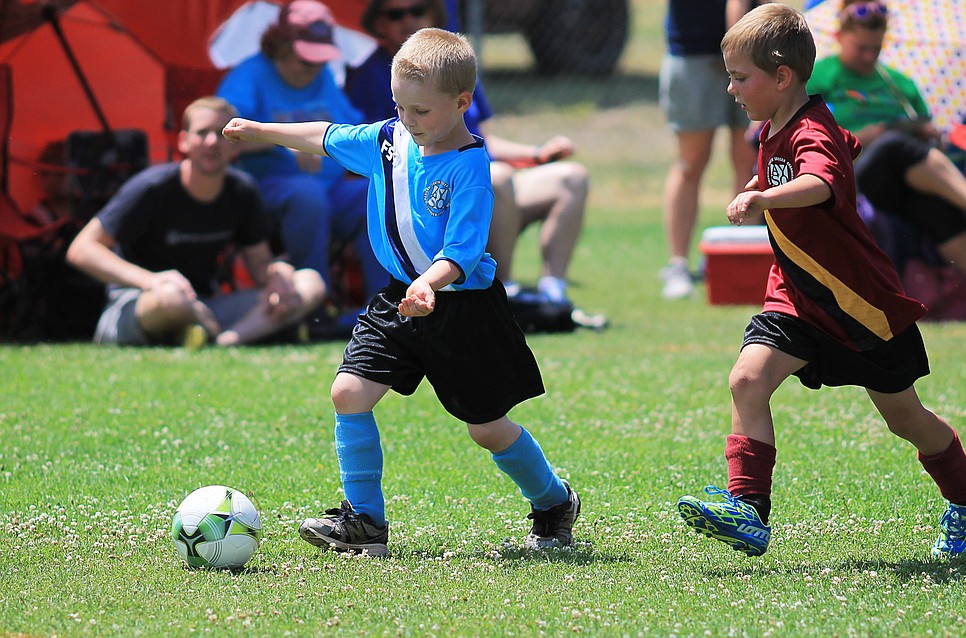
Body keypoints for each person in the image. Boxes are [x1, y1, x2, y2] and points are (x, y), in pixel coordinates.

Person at [223, 28, 581, 556]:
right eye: (399, 107)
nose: (408, 121)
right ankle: (365, 524)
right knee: (348, 392)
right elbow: (323, 135)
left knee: (485, 428)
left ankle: (553, 502)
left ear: (462, 103)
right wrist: (259, 129)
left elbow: (462, 252)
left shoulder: (470, 168)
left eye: (420, 111)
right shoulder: (388, 142)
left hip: (462, 309)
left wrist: (428, 283)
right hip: (398, 301)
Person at [677, 4, 966, 559]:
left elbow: (820, 179)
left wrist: (765, 196)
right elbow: (836, 149)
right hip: (796, 294)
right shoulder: (777, 126)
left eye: (739, 77)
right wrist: (760, 178)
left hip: (856, 302)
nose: (730, 89)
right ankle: (748, 510)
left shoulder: (811, 129)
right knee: (747, 380)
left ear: (781, 77)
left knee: (905, 417)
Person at [345, 0, 589, 306]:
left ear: (434, 13)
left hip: (482, 188)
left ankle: (553, 290)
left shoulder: (452, 68)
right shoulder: (372, 74)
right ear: (378, 22)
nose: (407, 20)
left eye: (417, 10)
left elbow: (484, 140)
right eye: (395, 14)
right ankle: (503, 292)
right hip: (435, 202)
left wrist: (538, 154)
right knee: (498, 177)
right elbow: (374, 150)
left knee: (571, 178)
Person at [66, 96, 326, 347]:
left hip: (204, 305)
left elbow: (260, 266)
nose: (212, 142)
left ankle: (226, 341)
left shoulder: (242, 191)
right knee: (171, 297)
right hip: (140, 302)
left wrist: (277, 275)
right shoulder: (151, 188)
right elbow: (81, 249)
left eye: (222, 134)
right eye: (202, 133)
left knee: (310, 283)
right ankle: (207, 331)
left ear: (236, 144)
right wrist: (151, 281)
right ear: (183, 141)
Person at [806, 0, 966, 311]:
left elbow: (928, 133)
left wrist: (928, 132)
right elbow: (806, 137)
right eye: (861, 48)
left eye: (875, 49)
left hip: (902, 181)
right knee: (891, 143)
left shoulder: (898, 83)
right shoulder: (818, 77)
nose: (868, 57)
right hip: (848, 174)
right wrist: (867, 136)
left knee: (934, 208)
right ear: (840, 36)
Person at [216, 0, 389, 330]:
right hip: (266, 191)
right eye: (304, 58)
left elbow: (350, 128)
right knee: (306, 195)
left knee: (377, 191)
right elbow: (224, 136)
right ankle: (312, 309)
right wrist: (284, 144)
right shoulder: (248, 77)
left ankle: (383, 306)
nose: (312, 68)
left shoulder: (322, 77)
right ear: (280, 45)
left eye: (318, 59)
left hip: (331, 190)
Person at [659, 0, 761, 300]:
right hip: (694, 53)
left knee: (749, 161)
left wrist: (744, 50)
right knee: (690, 163)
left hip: (753, 58)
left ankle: (741, 261)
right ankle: (678, 265)